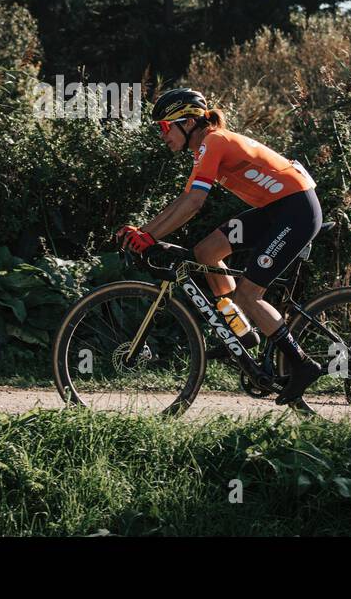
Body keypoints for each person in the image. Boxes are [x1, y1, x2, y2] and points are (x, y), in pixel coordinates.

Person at [115, 87, 326, 405]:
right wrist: (144, 234)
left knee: (248, 294)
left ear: (185, 122)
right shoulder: (206, 147)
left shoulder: (214, 141)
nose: (162, 136)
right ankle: (240, 330)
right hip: (276, 209)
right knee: (206, 252)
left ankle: (302, 364)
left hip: (296, 210)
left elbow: (195, 204)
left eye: (164, 127)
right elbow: (184, 201)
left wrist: (148, 237)